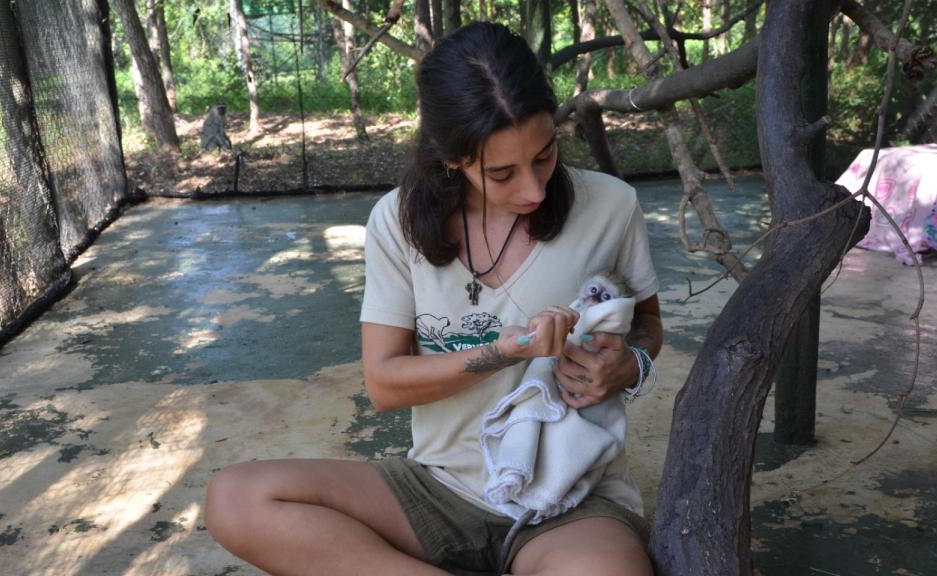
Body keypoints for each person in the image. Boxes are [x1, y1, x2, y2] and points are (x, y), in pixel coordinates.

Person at [205, 21, 663, 576]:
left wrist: (628, 365)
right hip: (437, 488)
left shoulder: (612, 206)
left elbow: (648, 328)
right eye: (501, 173)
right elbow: (385, 383)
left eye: (544, 156)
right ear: (452, 157)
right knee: (235, 499)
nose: (534, 190)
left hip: (572, 499)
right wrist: (508, 350)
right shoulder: (396, 223)